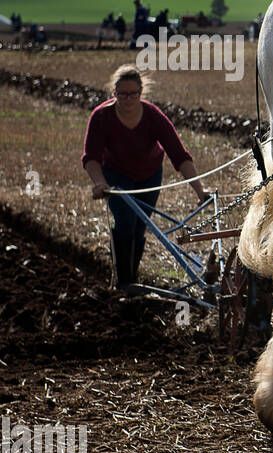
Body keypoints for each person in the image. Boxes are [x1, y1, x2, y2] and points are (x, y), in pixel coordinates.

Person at [82, 66, 209, 291]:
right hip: (116, 174)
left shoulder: (153, 116)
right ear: (114, 93)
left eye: (133, 94)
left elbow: (179, 156)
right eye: (122, 94)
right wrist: (100, 182)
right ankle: (124, 283)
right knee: (125, 223)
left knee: (140, 227)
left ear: (141, 92)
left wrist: (200, 191)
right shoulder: (102, 117)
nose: (128, 99)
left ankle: (132, 279)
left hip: (149, 175)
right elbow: (91, 157)